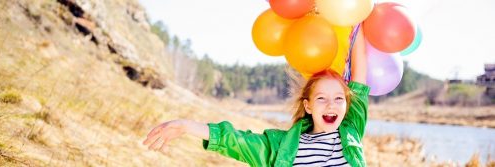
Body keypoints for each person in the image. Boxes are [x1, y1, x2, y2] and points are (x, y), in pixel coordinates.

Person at [143, 27, 369, 167]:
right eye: (321, 99)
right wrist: (186, 127)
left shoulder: (351, 132)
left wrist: (358, 22)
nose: (331, 104)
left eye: (339, 99)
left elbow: (359, 82)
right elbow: (236, 141)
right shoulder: (282, 147)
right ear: (308, 106)